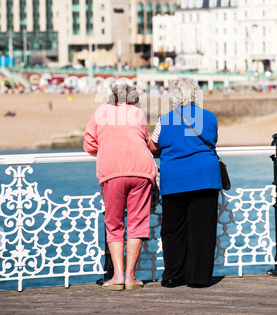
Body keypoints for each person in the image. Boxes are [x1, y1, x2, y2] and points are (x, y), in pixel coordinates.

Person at [149, 78, 222, 288]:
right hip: (205, 177)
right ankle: (198, 278)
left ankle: (173, 275)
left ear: (173, 95)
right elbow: (213, 140)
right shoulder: (209, 117)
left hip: (175, 179)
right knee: (202, 230)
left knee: (173, 229)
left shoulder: (165, 119)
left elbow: (153, 146)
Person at [84, 83, 156, 291]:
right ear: (133, 99)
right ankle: (131, 277)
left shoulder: (101, 112)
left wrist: (107, 145)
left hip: (113, 171)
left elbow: (89, 145)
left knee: (114, 224)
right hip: (141, 170)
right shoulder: (138, 114)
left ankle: (117, 277)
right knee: (137, 223)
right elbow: (143, 139)